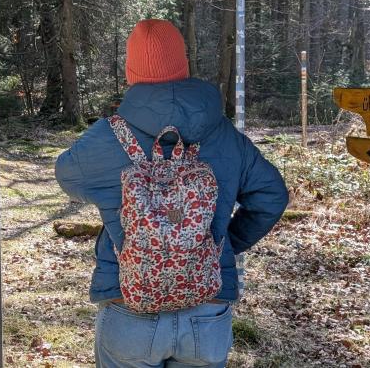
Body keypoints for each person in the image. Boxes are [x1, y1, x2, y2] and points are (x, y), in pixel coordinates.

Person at [55, 19, 288, 368]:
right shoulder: (223, 132)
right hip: (206, 305)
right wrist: (220, 243)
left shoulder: (108, 135)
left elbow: (66, 176)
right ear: (183, 65)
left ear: (130, 71)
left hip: (129, 301)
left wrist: (112, 198)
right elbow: (272, 196)